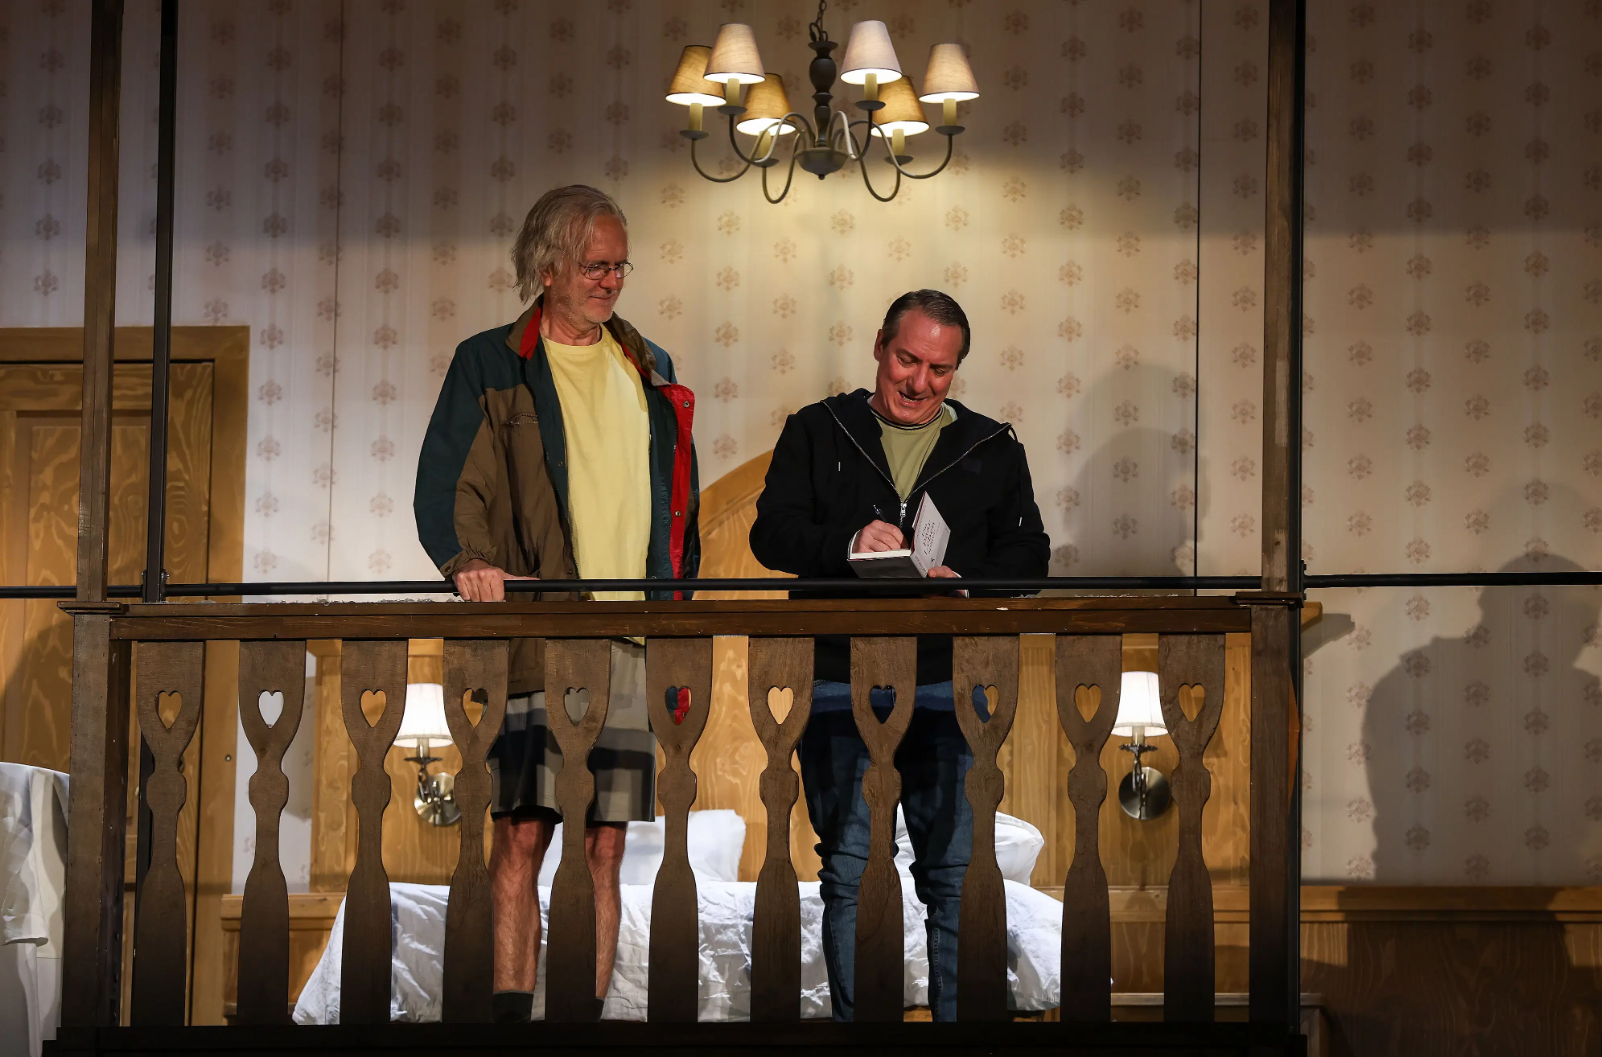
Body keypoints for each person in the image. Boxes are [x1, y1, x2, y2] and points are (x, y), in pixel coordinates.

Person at [413, 184, 699, 1022]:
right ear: (546, 269)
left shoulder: (649, 364)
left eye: (620, 266)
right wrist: (466, 559)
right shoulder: (492, 362)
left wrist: (675, 609)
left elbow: (678, 501)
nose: (610, 281)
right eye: (594, 265)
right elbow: (447, 481)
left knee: (605, 844)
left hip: (630, 639)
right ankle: (511, 1024)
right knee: (522, 832)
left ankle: (584, 1020)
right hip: (541, 635)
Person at [749, 289, 1049, 1020]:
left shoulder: (992, 445)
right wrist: (848, 543)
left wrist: (967, 583)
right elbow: (770, 534)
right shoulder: (817, 428)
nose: (919, 382)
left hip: (950, 680)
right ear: (880, 346)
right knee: (851, 871)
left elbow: (1030, 556)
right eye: (907, 360)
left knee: (954, 874)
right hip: (836, 677)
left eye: (939, 369)